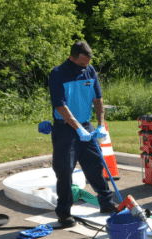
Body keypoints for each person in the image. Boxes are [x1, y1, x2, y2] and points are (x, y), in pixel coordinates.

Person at [48, 40, 118, 227]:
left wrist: (101, 124)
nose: (85, 66)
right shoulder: (57, 74)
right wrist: (77, 127)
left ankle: (106, 203)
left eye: (87, 62)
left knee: (95, 165)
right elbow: (60, 105)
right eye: (82, 62)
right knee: (64, 172)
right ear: (72, 57)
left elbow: (98, 98)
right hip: (65, 129)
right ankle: (64, 213)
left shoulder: (90, 71)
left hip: (86, 126)